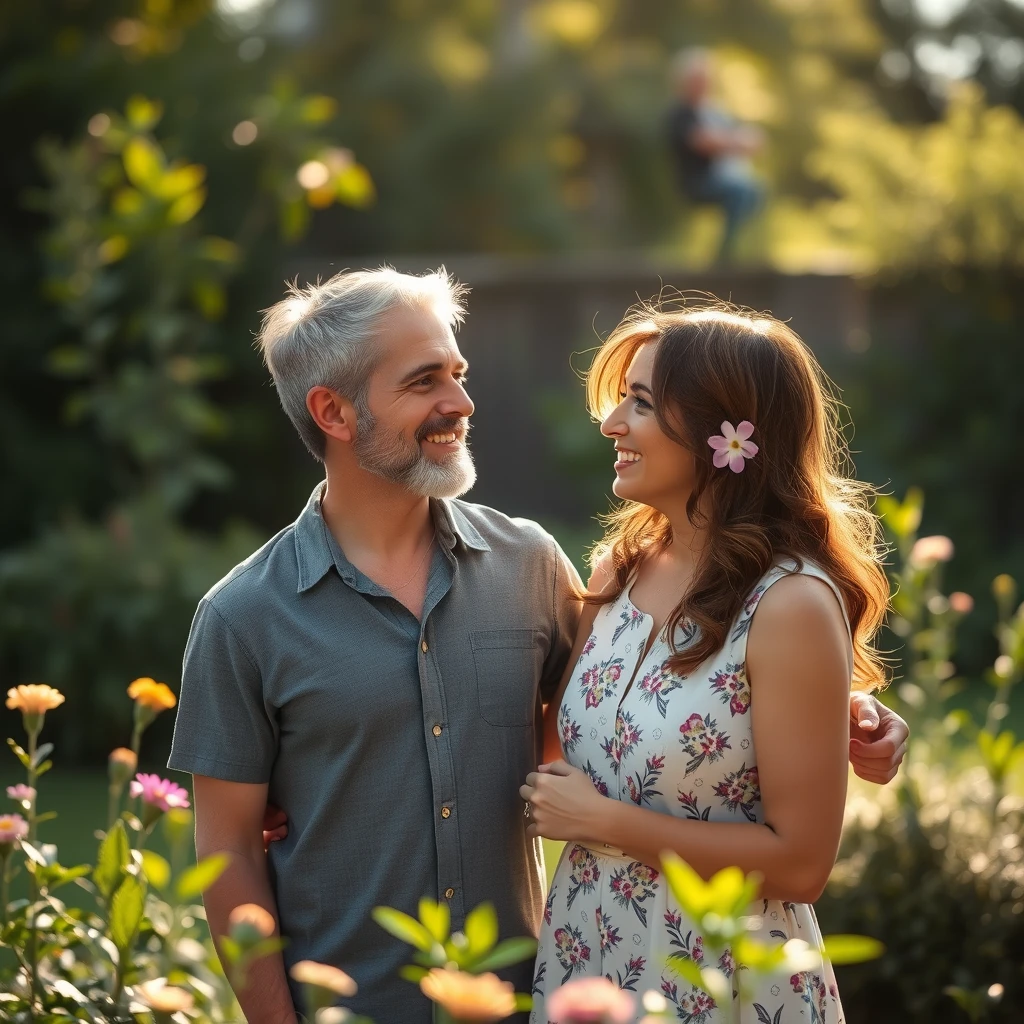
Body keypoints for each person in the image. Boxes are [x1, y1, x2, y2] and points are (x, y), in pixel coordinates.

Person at [168, 268, 906, 1024]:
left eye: (457, 373)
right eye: (425, 382)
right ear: (333, 411)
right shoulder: (243, 618)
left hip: (551, 997)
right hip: (358, 1005)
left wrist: (837, 709)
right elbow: (226, 857)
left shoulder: (528, 565)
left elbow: (645, 701)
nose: (460, 402)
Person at [524, 300, 890, 1023]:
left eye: (641, 403)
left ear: (730, 434)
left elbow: (802, 864)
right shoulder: (616, 573)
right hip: (589, 958)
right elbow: (547, 746)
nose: (611, 425)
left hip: (722, 980)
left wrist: (606, 821)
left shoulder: (789, 605)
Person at [666, 48, 765, 263]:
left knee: (756, 191)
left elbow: (750, 138)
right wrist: (737, 142)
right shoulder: (680, 113)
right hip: (697, 182)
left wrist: (738, 140)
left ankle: (742, 248)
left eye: (705, 79)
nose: (703, 84)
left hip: (726, 177)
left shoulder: (715, 112)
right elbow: (703, 142)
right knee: (740, 192)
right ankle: (725, 254)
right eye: (697, 79)